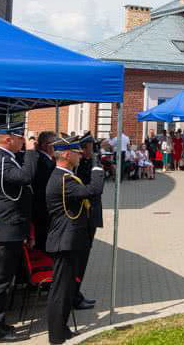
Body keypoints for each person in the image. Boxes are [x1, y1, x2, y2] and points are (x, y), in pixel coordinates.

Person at [45, 138, 105, 344]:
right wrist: (97, 169)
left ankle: (62, 329)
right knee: (60, 291)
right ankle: (56, 335)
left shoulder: (66, 177)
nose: (80, 156)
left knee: (67, 288)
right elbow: (93, 190)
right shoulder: (63, 180)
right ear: (67, 155)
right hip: (65, 241)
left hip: (69, 240)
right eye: (77, 153)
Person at [0, 123, 37, 342]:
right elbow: (25, 177)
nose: (23, 141)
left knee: (4, 282)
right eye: (20, 138)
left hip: (11, 227)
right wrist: (31, 152)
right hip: (5, 228)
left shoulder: (6, 157)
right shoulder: (1, 160)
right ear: (8, 140)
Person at [73, 133, 101, 311]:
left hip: (90, 216)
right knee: (79, 260)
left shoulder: (90, 162)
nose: (93, 150)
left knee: (83, 259)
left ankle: (76, 293)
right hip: (85, 216)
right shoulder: (81, 166)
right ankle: (75, 296)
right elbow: (94, 188)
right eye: (90, 147)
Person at [32, 131, 58, 251]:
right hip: (42, 207)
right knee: (43, 238)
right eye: (54, 144)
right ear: (44, 145)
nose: (56, 147)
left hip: (44, 207)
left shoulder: (48, 159)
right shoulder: (42, 161)